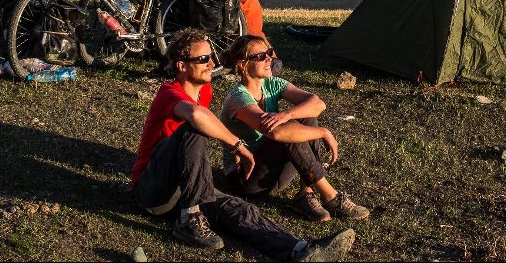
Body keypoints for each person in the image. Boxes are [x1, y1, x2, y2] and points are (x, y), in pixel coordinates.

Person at [131, 28, 355, 261]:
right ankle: (189, 219)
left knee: (243, 210)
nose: (211, 64)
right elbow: (197, 116)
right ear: (181, 66)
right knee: (193, 129)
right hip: (153, 189)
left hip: (189, 187)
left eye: (212, 57)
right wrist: (236, 144)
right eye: (203, 59)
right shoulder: (169, 92)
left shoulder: (205, 90)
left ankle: (300, 250)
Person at [220, 34, 370, 222]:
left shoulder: (272, 84)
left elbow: (317, 103)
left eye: (268, 53)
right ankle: (331, 196)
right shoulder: (238, 98)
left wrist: (287, 114)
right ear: (242, 65)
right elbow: (275, 132)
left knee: (306, 115)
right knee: (287, 130)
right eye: (260, 56)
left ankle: (305, 193)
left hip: (273, 173)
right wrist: (323, 131)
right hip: (247, 180)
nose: (269, 59)